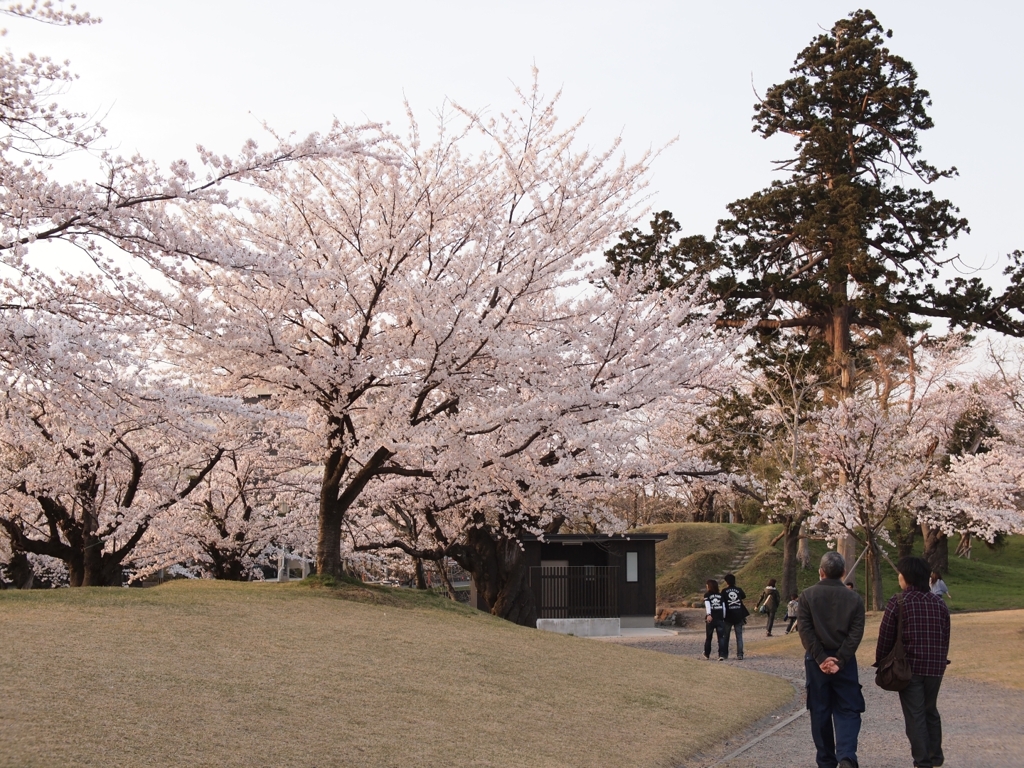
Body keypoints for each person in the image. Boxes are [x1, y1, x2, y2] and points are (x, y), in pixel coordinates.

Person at [876, 557, 950, 768]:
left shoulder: (898, 601)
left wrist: (881, 662)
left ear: (906, 577)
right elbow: (945, 637)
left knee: (915, 715)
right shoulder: (939, 603)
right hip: (935, 667)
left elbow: (885, 637)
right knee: (930, 710)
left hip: (909, 668)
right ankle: (935, 756)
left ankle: (922, 761)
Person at [798, 551, 866, 768]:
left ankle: (826, 760)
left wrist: (821, 659)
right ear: (844, 572)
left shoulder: (807, 596)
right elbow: (856, 634)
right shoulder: (854, 599)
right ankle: (846, 754)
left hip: (816, 662)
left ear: (821, 572)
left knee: (820, 710)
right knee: (848, 708)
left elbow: (805, 631)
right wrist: (839, 660)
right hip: (844, 663)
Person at [721, 573, 749, 660]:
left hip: (728, 616)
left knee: (726, 636)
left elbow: (722, 601)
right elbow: (744, 596)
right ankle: (740, 654)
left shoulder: (724, 591)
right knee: (739, 636)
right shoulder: (739, 590)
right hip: (739, 615)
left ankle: (725, 654)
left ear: (726, 582)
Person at [703, 578, 728, 660]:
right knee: (721, 637)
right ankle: (721, 654)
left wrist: (709, 614)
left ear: (709, 586)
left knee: (709, 637)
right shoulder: (721, 595)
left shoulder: (707, 595)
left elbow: (708, 605)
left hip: (711, 618)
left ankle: (707, 654)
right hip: (720, 618)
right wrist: (723, 617)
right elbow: (724, 607)